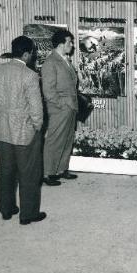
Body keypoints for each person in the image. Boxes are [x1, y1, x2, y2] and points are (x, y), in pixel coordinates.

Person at [0, 36, 47, 225]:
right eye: (32, 53)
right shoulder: (29, 75)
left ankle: (7, 209)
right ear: (26, 54)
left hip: (3, 129)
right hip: (24, 131)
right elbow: (36, 109)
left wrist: (4, 114)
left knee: (7, 169)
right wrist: (37, 127)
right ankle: (28, 215)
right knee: (29, 173)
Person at [42, 29, 79, 186]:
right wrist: (62, 105)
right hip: (60, 108)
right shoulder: (50, 62)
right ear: (61, 44)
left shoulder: (65, 59)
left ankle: (61, 169)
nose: (72, 45)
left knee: (67, 139)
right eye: (69, 42)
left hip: (70, 107)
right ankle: (47, 173)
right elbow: (48, 91)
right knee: (54, 140)